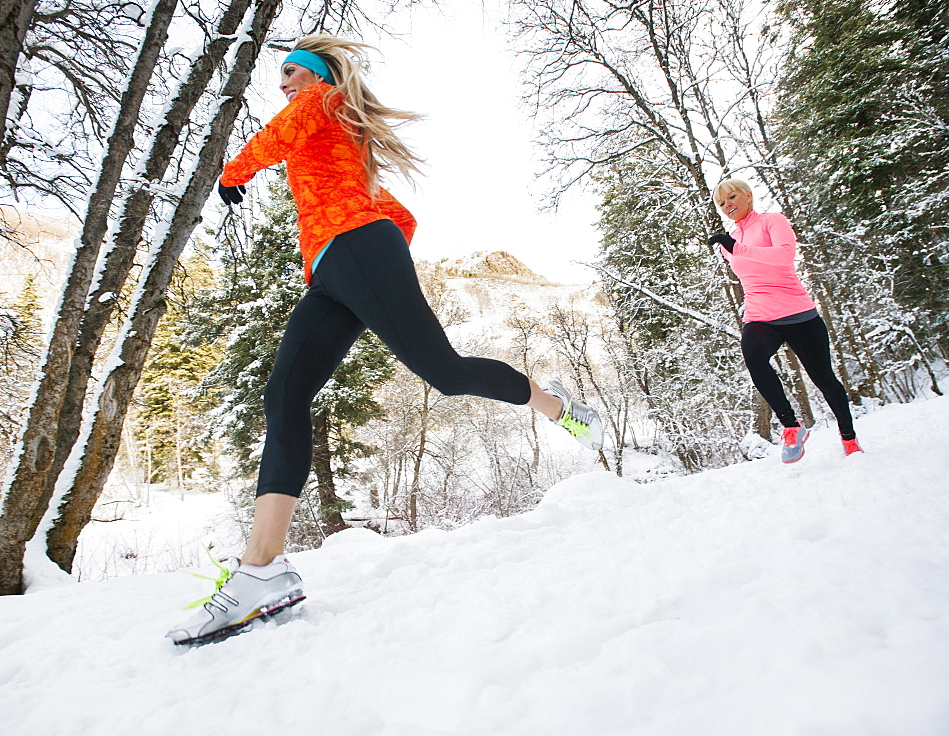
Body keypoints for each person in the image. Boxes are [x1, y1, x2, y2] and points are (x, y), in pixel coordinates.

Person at [167, 36, 605, 646]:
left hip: (355, 250)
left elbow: (272, 140)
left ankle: (557, 405)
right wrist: (384, 233)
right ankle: (259, 573)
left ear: (315, 75)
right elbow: (385, 203)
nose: (283, 82)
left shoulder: (318, 102)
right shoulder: (330, 129)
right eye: (283, 76)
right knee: (284, 395)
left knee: (446, 375)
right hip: (330, 270)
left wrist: (233, 172)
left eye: (290, 71)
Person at [707, 178, 863, 465]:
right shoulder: (728, 242)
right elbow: (750, 278)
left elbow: (784, 256)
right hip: (760, 315)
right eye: (721, 203)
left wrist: (737, 248)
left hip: (798, 314)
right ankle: (792, 426)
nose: (727, 205)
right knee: (754, 358)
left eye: (731, 197)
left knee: (824, 379)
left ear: (747, 196)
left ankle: (849, 438)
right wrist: (733, 247)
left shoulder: (772, 221)